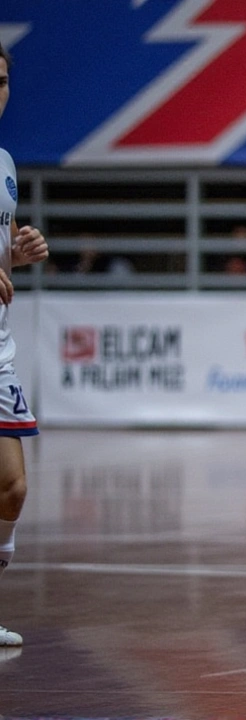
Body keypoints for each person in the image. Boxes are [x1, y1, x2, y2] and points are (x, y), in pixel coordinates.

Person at [0, 40, 51, 650]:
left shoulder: (6, 160)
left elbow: (3, 241)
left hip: (0, 343)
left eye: (3, 80)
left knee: (12, 485)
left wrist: (19, 251)